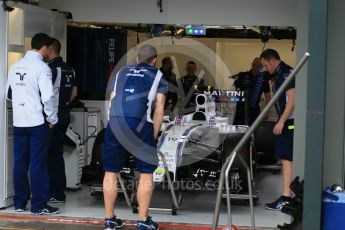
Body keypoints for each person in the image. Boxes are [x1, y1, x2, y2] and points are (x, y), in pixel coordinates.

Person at [102, 45, 167, 230]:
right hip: (139, 124)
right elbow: (159, 109)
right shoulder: (157, 74)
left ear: (137, 58)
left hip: (115, 122)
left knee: (110, 171)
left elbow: (112, 97)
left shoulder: (121, 71)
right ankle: (143, 221)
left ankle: (109, 220)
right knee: (146, 173)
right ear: (154, 60)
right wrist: (152, 136)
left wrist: (112, 124)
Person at [5, 33, 59, 215]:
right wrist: (52, 119)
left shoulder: (15, 66)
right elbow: (48, 96)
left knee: (20, 163)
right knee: (38, 164)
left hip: (19, 122)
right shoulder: (42, 68)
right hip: (37, 123)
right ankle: (39, 205)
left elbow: (8, 95)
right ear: (44, 48)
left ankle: (19, 203)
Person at [260, 49, 295, 211]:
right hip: (287, 121)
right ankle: (287, 195)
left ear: (272, 61)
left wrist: (281, 121)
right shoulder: (278, 75)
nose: (266, 68)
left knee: (286, 157)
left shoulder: (286, 73)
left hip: (290, 122)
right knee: (285, 157)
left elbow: (292, 100)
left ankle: (286, 197)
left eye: (266, 65)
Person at [47, 38, 77, 203]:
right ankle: (59, 191)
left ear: (50, 50)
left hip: (52, 116)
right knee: (57, 154)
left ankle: (54, 193)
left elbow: (46, 94)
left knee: (50, 155)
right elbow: (74, 93)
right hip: (64, 114)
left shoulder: (51, 69)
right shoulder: (70, 69)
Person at [233, 57, 271, 125]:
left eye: (258, 66)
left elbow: (268, 95)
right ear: (251, 64)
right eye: (254, 65)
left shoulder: (263, 79)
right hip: (240, 110)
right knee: (238, 132)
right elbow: (233, 89)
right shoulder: (242, 75)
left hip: (254, 110)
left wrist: (267, 111)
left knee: (254, 132)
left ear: (262, 67)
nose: (255, 68)